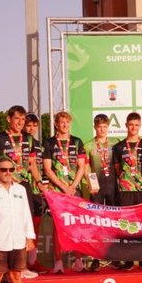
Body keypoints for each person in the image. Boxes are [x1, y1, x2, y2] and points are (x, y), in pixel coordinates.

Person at [0, 105, 43, 279]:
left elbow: (33, 164)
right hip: (4, 187)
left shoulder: (28, 138)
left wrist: (40, 183)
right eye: (17, 119)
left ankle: (23, 265)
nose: (20, 122)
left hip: (23, 187)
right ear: (8, 119)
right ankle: (4, 269)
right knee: (3, 222)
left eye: (22, 119)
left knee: (24, 223)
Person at [42, 111, 87, 274]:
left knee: (76, 226)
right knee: (58, 227)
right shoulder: (48, 143)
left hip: (74, 190)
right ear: (56, 124)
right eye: (61, 122)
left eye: (67, 122)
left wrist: (73, 186)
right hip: (57, 192)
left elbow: (82, 166)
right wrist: (63, 187)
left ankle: (78, 260)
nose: (65, 125)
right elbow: (47, 169)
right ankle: (58, 262)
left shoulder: (77, 142)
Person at [113, 112, 142, 270]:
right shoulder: (119, 147)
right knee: (127, 224)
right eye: (131, 125)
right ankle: (128, 259)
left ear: (140, 126)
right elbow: (117, 169)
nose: (133, 128)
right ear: (126, 125)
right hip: (125, 189)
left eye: (136, 125)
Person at [83, 113, 117, 271]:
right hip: (97, 187)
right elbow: (85, 166)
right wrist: (91, 182)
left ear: (108, 127)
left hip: (112, 186)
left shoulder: (115, 143)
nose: (102, 129)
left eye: (105, 126)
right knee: (96, 223)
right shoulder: (89, 145)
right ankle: (95, 258)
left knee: (113, 222)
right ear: (95, 127)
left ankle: (114, 256)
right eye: (99, 127)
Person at [23, 112, 49, 275]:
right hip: (24, 188)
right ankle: (21, 262)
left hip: (37, 190)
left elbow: (44, 169)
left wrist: (44, 187)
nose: (31, 128)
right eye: (28, 125)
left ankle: (32, 260)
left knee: (36, 226)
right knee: (23, 226)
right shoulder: (19, 142)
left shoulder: (39, 145)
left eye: (34, 125)